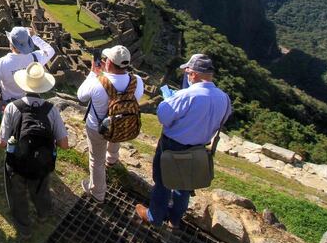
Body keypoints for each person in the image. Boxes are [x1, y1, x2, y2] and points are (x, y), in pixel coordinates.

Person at [135, 54, 232, 228]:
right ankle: (174, 219)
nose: (187, 75)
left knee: (163, 181)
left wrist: (170, 100)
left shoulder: (187, 95)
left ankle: (154, 217)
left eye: (188, 72)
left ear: (194, 74)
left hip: (172, 145)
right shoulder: (224, 98)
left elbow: (164, 117)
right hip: (198, 148)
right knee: (185, 184)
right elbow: (222, 120)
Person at [0, 62, 69, 237]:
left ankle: (24, 228)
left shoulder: (13, 107)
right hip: (42, 162)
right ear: (42, 87)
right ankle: (43, 214)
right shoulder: (51, 110)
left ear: (24, 85)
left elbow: (2, 142)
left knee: (18, 194)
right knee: (41, 188)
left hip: (17, 162)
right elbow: (64, 144)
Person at [77, 45, 144, 203]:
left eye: (106, 59)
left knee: (96, 160)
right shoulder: (137, 81)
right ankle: (112, 159)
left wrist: (93, 73)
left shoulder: (98, 82)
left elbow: (81, 96)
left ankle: (98, 192)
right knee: (116, 131)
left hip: (97, 127)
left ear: (108, 64)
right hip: (122, 123)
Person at [0, 26, 55, 122]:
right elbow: (51, 51)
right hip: (29, 105)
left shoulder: (1, 63)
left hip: (8, 104)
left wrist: (3, 82)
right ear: (28, 43)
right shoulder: (36, 58)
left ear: (11, 44)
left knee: (6, 132)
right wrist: (35, 37)